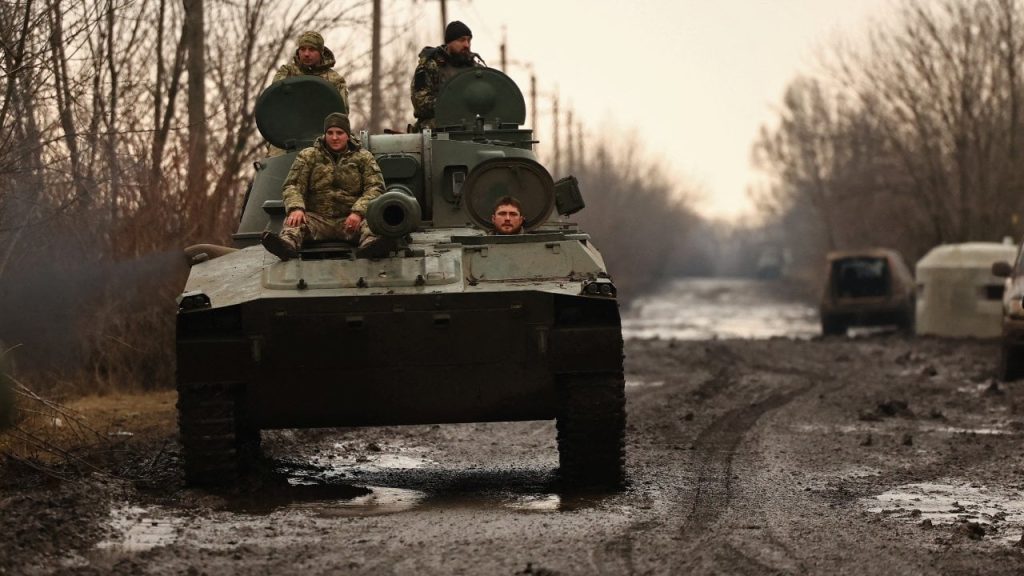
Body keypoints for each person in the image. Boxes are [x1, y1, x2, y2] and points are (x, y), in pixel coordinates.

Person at [260, 113, 396, 261]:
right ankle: (286, 246)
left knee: (372, 224)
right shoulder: (308, 156)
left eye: (340, 133)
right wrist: (296, 208)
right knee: (294, 223)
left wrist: (358, 212)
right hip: (317, 220)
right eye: (330, 133)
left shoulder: (363, 158)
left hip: (351, 221)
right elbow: (292, 185)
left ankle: (371, 247)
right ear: (324, 135)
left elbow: (375, 187)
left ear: (348, 135)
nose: (335, 137)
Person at [410, 20, 485, 131]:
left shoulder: (475, 70)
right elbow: (421, 104)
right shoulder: (430, 66)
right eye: (462, 40)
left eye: (469, 40)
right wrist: (454, 104)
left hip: (471, 128)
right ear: (449, 43)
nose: (466, 45)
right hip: (437, 130)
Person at [274, 31, 349, 110]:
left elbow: (341, 113)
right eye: (302, 49)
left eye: (312, 49)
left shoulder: (335, 80)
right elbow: (274, 100)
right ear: (298, 51)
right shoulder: (287, 71)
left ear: (321, 53)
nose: (306, 54)